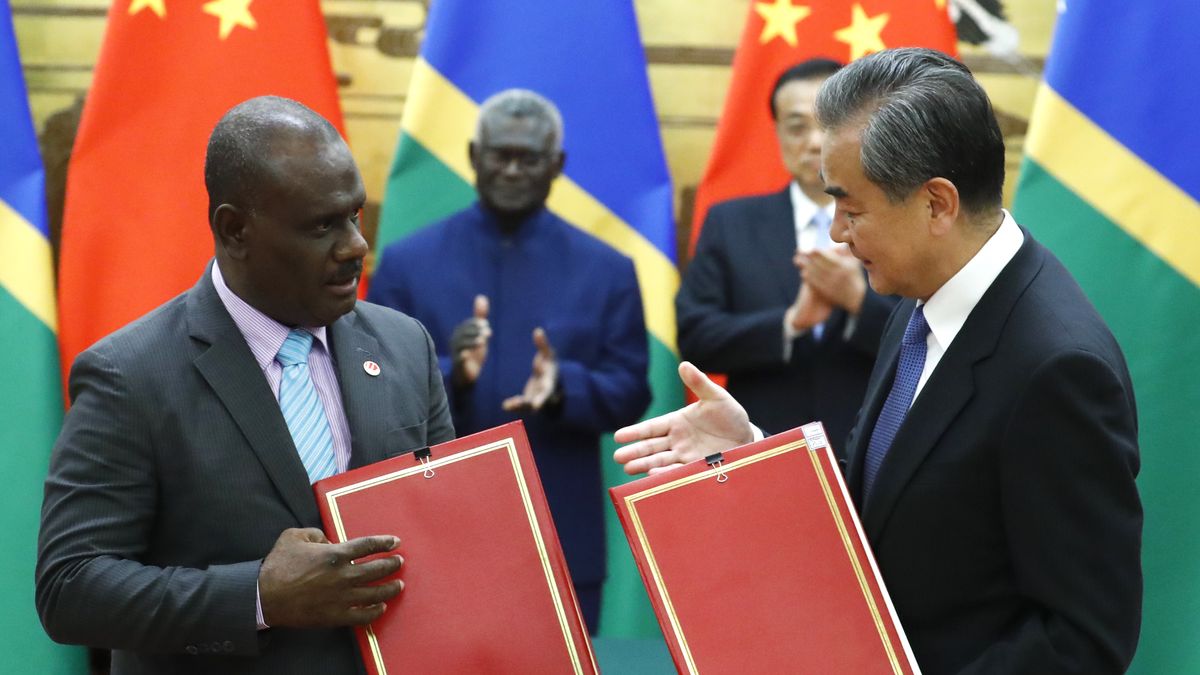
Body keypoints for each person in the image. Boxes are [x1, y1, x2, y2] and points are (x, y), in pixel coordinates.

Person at [614, 48, 1141, 674]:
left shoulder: (1057, 368)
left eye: (853, 209)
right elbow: (893, 492)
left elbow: (1083, 642)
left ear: (937, 204)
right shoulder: (922, 299)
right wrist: (755, 453)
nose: (836, 233)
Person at [36, 96, 455, 674]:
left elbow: (444, 535)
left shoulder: (406, 346)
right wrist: (259, 597)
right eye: (321, 225)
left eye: (354, 215)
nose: (356, 245)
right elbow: (71, 587)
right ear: (234, 230)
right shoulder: (129, 376)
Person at [368, 88, 651, 633]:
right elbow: (371, 389)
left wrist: (564, 387)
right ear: (475, 157)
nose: (514, 170)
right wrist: (454, 376)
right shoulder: (406, 263)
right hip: (435, 524)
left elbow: (632, 391)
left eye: (531, 158)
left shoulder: (607, 270)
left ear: (558, 166)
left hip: (561, 529)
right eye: (501, 155)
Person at [677, 58, 898, 449]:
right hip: (758, 445)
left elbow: (933, 333)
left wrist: (859, 303)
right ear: (778, 132)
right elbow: (695, 338)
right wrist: (790, 323)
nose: (814, 141)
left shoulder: (896, 217)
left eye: (827, 124)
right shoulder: (730, 223)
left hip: (876, 444)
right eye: (797, 127)